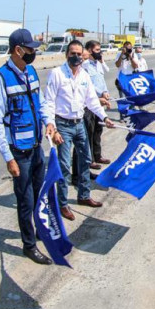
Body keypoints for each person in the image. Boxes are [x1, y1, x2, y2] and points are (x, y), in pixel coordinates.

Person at [0, 29, 52, 265]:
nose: (34, 52)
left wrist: (49, 123)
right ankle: (29, 245)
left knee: (38, 195)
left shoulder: (31, 71)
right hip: (19, 153)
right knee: (24, 201)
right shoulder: (1, 79)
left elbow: (41, 103)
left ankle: (37, 231)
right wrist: (8, 158)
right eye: (31, 49)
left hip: (36, 147)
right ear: (18, 50)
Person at [42, 40, 116, 221]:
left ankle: (84, 195)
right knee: (65, 166)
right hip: (63, 125)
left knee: (85, 160)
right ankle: (62, 204)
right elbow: (49, 102)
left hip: (79, 123)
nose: (76, 57)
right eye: (72, 53)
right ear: (66, 54)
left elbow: (91, 101)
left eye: (78, 54)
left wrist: (105, 117)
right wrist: (51, 125)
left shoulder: (84, 76)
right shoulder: (57, 74)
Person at [82, 40, 113, 170]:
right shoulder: (84, 66)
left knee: (98, 131)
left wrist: (105, 92)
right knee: (89, 131)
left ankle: (97, 155)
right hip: (90, 103)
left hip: (100, 103)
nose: (99, 53)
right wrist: (99, 95)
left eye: (100, 50)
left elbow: (101, 81)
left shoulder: (98, 64)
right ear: (89, 51)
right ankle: (90, 160)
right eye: (96, 50)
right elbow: (88, 85)